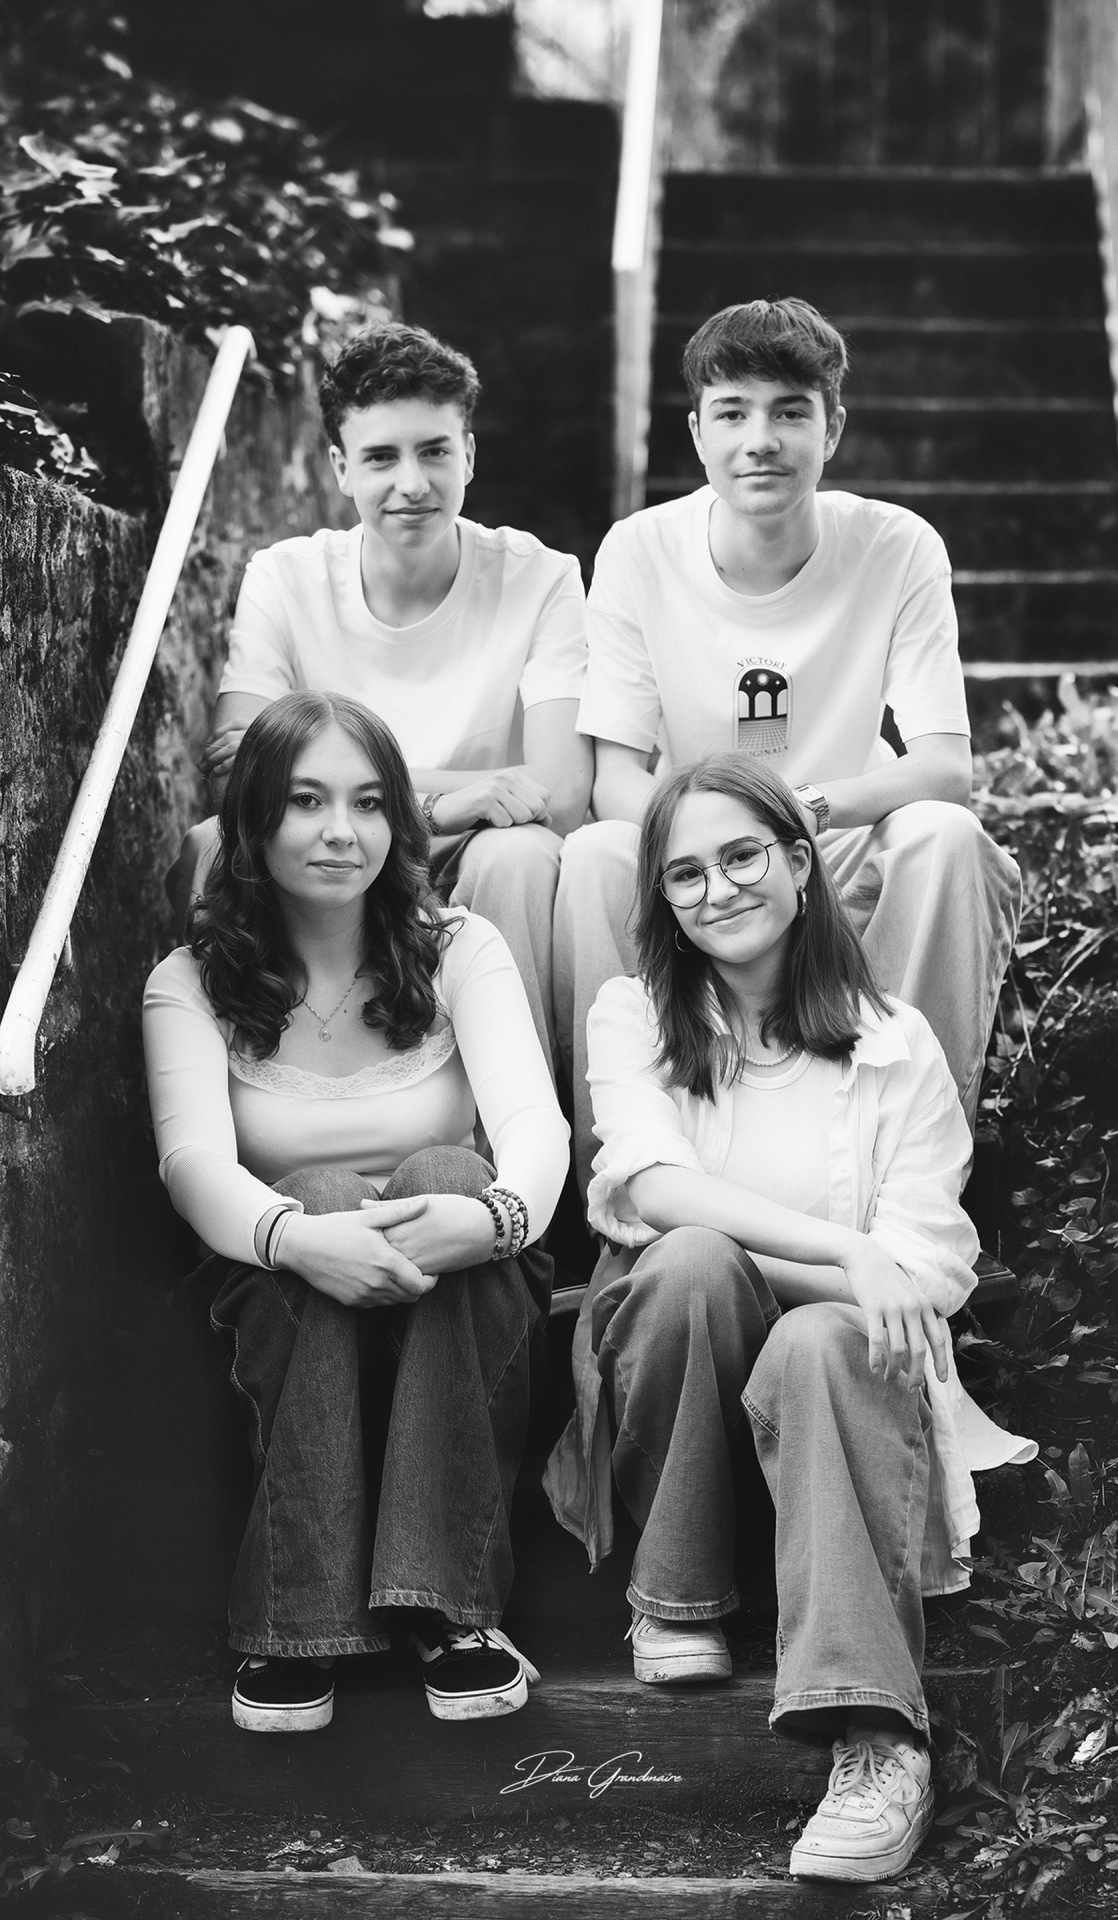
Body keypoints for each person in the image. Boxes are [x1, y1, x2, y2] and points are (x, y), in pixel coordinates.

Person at [545, 751, 1034, 1883]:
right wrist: (842, 1249)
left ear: (800, 863)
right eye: (683, 874)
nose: (716, 889)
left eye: (740, 856)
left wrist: (852, 1279)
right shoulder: (633, 1016)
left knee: (821, 1335)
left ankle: (877, 1743)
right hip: (675, 1374)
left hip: (837, 1395)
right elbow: (647, 1187)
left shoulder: (892, 1041)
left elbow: (926, 1276)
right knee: (689, 1263)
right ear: (660, 900)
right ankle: (675, 1595)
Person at [145, 691, 569, 1732]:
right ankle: (303, 1620)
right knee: (320, 1189)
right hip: (290, 1298)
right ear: (251, 824)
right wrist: (303, 1237)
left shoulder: (458, 947)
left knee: (446, 1170)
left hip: (457, 1285)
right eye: (306, 802)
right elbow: (192, 1165)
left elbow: (535, 1127)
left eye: (370, 803)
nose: (342, 831)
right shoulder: (190, 984)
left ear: (399, 824)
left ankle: (450, 1610)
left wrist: (499, 1218)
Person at [554, 296, 1020, 1188]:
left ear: (832, 426)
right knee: (595, 855)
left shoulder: (897, 546)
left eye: (789, 412)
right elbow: (614, 776)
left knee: (944, 837)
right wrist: (718, 848)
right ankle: (616, 1180)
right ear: (696, 433)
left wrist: (800, 818)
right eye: (732, 413)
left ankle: (919, 1169)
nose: (759, 439)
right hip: (693, 855)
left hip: (833, 841)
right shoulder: (639, 550)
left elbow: (945, 768)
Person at [170, 321, 594, 1067]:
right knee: (208, 847)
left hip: (477, 852)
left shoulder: (542, 576)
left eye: (434, 450)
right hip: (339, 843)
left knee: (521, 858)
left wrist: (342, 785)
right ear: (340, 467)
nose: (412, 483)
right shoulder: (287, 576)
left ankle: (517, 1132)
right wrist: (446, 800)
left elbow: (558, 794)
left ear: (469, 452)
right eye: (380, 457)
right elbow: (237, 781)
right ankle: (253, 1107)